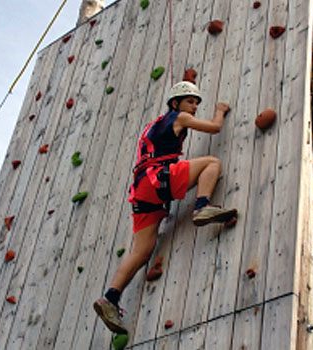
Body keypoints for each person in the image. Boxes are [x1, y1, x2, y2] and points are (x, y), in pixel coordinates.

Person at [93, 81, 237, 334]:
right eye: (190, 101)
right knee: (211, 163)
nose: (193, 107)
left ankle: (110, 298)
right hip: (158, 178)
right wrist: (220, 110)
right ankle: (202, 205)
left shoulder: (154, 126)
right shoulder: (179, 117)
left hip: (142, 191)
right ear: (175, 103)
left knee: (142, 250)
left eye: (196, 103)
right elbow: (214, 128)